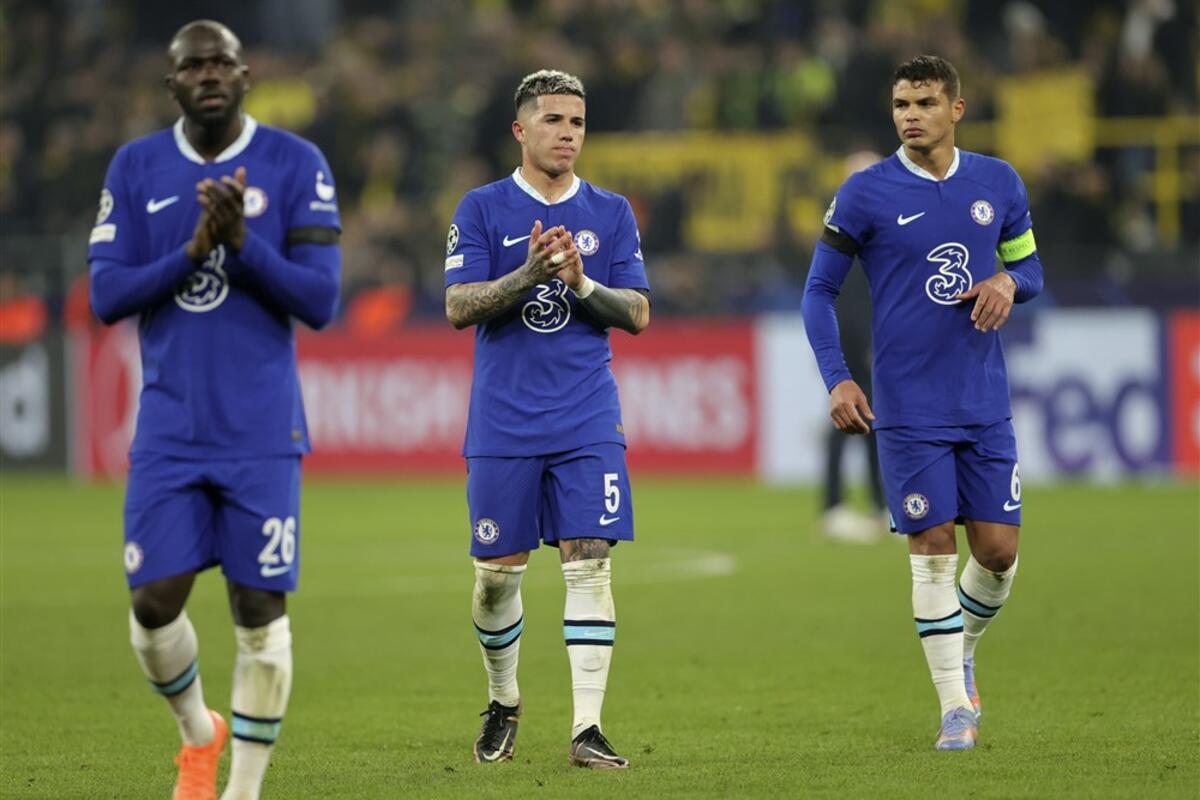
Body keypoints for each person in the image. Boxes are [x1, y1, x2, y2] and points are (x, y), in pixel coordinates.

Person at [88, 20, 341, 799]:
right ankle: (199, 731)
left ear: (244, 75)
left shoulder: (295, 162)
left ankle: (242, 791)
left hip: (262, 430)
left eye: (221, 62)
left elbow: (321, 300)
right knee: (152, 604)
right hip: (169, 429)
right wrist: (195, 250)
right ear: (171, 83)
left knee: (259, 609)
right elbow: (106, 295)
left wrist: (243, 245)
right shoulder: (136, 167)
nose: (208, 74)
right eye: (193, 65)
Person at [801, 55, 1043, 751]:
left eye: (926, 103)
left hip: (982, 397)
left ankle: (961, 650)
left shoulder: (998, 182)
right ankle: (954, 710)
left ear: (956, 109)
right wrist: (838, 378)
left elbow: (1030, 266)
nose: (911, 116)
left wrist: (1007, 283)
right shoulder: (864, 192)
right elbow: (817, 292)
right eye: (902, 104)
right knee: (932, 547)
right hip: (906, 404)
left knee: (997, 553)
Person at [443, 69, 650, 769]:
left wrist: (581, 282)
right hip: (503, 422)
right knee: (495, 578)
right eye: (554, 120)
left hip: (586, 418)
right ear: (520, 129)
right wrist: (527, 274)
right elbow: (457, 306)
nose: (568, 133)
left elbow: (638, 312)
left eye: (578, 122)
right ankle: (503, 700)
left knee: (589, 565)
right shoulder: (481, 207)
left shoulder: (611, 212)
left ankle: (587, 728)